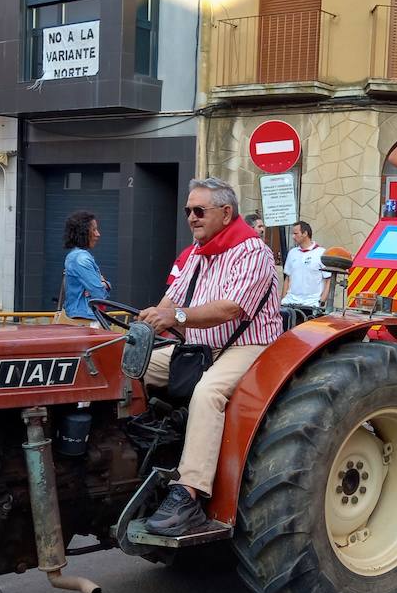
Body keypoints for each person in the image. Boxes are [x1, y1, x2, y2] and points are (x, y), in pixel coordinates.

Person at [138, 177, 283, 536]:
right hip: (200, 347)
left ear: (226, 212)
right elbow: (173, 298)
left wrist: (177, 317)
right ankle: (140, 453)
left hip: (247, 345)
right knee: (126, 369)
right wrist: (152, 319)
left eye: (199, 210)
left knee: (208, 393)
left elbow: (232, 308)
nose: (191, 217)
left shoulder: (252, 251)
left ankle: (188, 493)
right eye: (188, 210)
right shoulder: (200, 253)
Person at [60, 210, 110, 326]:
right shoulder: (81, 258)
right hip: (85, 320)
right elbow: (99, 293)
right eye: (94, 230)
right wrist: (105, 283)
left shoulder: (74, 256)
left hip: (78, 316)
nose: (98, 234)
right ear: (83, 232)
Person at [281, 220, 328, 307]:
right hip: (290, 302)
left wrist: (321, 301)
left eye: (296, 234)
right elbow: (287, 278)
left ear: (305, 233)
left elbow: (329, 280)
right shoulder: (292, 253)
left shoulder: (321, 253)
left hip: (311, 304)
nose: (293, 237)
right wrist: (283, 299)